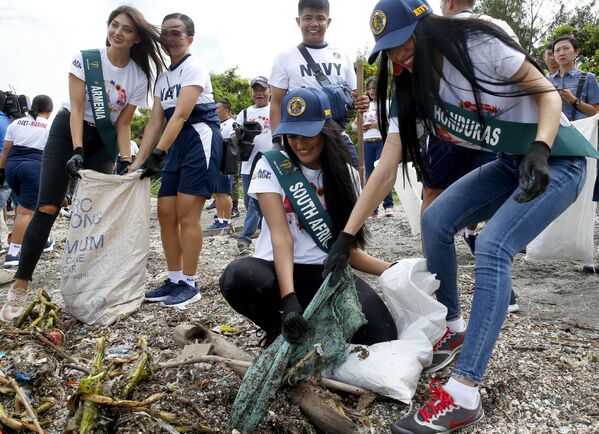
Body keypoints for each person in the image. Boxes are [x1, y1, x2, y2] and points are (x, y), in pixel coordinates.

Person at [323, 0, 588, 431]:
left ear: (426, 26)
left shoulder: (477, 42)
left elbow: (544, 91)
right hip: (508, 163)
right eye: (387, 51)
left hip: (556, 161)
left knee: (492, 245)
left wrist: (540, 147)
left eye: (403, 42)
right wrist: (346, 235)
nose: (398, 57)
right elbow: (385, 169)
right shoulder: (410, 92)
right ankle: (454, 324)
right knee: (435, 220)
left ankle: (465, 392)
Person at [0, 5, 163, 322]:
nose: (117, 32)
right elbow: (76, 109)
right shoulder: (87, 59)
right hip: (67, 132)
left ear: (137, 38)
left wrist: (126, 161)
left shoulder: (139, 76)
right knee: (47, 207)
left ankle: (92, 287)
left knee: (96, 216)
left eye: (126, 29)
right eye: (114, 25)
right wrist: (76, 149)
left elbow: (123, 123)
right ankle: (20, 285)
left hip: (104, 142)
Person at [220, 87, 397, 348]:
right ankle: (279, 332)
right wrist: (288, 298)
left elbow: (348, 250)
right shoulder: (271, 165)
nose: (300, 143)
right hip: (276, 271)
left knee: (383, 337)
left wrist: (394, 270)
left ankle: (316, 332)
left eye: (307, 134)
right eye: (292, 135)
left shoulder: (347, 175)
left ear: (326, 130)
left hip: (322, 274)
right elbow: (281, 237)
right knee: (237, 276)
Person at [424, 0, 520, 313]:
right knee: (488, 203)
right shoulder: (497, 25)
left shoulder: (435, 30)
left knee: (435, 198)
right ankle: (498, 288)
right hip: (488, 127)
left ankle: (435, 275)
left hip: (453, 126)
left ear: (447, 3)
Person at [130, 13, 222, 308]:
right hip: (176, 144)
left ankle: (191, 284)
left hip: (199, 139)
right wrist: (138, 161)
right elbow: (156, 121)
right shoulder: (163, 76)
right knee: (166, 212)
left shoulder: (193, 67)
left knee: (186, 214)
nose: (170, 39)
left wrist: (158, 153)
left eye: (177, 33)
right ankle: (175, 278)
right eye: (165, 33)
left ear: (189, 39)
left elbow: (181, 114)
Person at [268, 0, 368, 165]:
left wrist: (362, 101)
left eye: (320, 18)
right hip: (301, 139)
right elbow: (277, 103)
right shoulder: (285, 57)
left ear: (328, 22)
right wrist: (278, 141)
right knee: (307, 188)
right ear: (298, 21)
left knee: (353, 182)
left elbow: (354, 97)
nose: (313, 23)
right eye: (307, 18)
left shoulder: (343, 56)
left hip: (336, 135)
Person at [547, 35, 599, 273]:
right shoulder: (547, 80)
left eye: (566, 49)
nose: (561, 53)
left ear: (576, 52)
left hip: (583, 140)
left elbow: (595, 112)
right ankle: (545, 245)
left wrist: (572, 100)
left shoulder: (588, 79)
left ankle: (586, 253)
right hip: (556, 140)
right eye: (557, 50)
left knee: (586, 193)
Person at [0, 95, 54, 268]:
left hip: (12, 168)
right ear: (49, 111)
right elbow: (52, 155)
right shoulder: (48, 126)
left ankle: (41, 240)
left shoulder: (15, 123)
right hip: (33, 169)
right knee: (26, 212)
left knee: (24, 208)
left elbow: (6, 150)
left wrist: (1, 171)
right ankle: (13, 253)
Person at [235, 76, 273, 254]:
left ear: (269, 91)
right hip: (247, 163)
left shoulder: (276, 110)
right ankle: (264, 230)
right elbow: (232, 137)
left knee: (255, 202)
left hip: (268, 162)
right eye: (255, 90)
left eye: (262, 89)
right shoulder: (244, 113)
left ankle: (245, 238)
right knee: (249, 201)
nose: (259, 93)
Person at [352, 76, 394, 218]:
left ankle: (389, 206)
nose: (371, 91)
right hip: (367, 143)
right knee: (370, 176)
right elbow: (354, 125)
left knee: (382, 173)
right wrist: (358, 127)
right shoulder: (366, 106)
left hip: (382, 141)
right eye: (369, 88)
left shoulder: (387, 103)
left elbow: (393, 121)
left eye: (374, 88)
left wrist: (379, 124)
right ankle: (373, 208)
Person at [208, 98, 235, 231]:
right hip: (215, 161)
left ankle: (227, 220)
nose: (215, 110)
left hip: (226, 162)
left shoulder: (231, 124)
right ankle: (219, 219)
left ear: (226, 110)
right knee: (217, 192)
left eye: (218, 108)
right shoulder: (217, 124)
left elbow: (233, 142)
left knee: (224, 192)